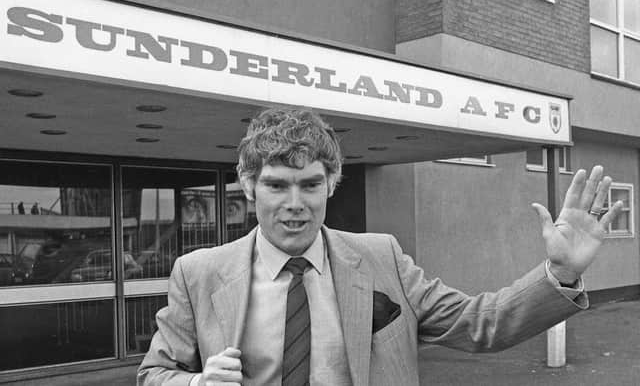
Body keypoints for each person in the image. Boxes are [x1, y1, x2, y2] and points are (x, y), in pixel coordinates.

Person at [138, 108, 623, 386]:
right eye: (276, 186)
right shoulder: (198, 271)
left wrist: (558, 273)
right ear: (248, 186)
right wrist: (196, 382)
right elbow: (155, 374)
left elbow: (481, 323)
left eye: (309, 185)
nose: (294, 204)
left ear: (332, 184)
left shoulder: (381, 257)